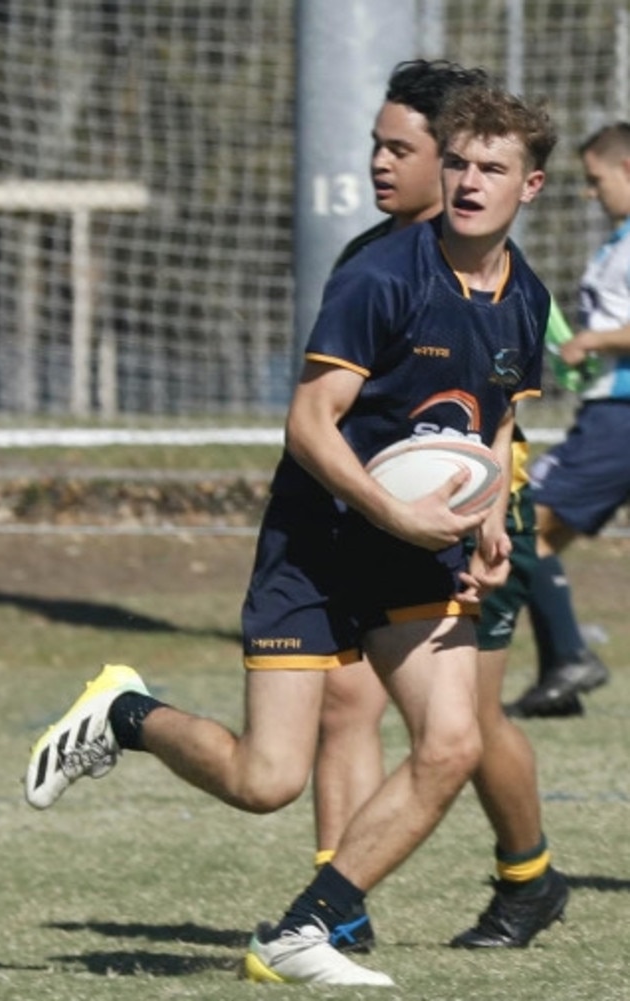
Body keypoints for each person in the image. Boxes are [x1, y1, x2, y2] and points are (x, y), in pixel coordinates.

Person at [25, 82, 560, 986]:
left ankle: (306, 928)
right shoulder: (381, 276)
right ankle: (123, 713)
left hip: (421, 546)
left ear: (531, 186)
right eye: (460, 162)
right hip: (317, 544)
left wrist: (489, 525)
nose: (470, 181)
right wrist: (395, 511)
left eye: (492, 168)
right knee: (265, 780)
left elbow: (494, 423)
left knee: (453, 740)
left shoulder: (524, 297)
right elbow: (310, 422)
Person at [313, 59, 569, 957]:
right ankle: (336, 909)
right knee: (344, 701)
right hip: (377, 523)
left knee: (467, 723)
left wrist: (491, 508)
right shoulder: (376, 261)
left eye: (401, 148)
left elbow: (505, 403)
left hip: (469, 522)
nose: (385, 164)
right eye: (376, 146)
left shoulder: (509, 276)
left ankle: (527, 876)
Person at [505, 122, 630, 718]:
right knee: (536, 535)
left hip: (622, 417)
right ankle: (562, 669)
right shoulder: (617, 243)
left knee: (524, 522)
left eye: (594, 180)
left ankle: (569, 660)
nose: (590, 193)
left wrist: (592, 342)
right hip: (608, 411)